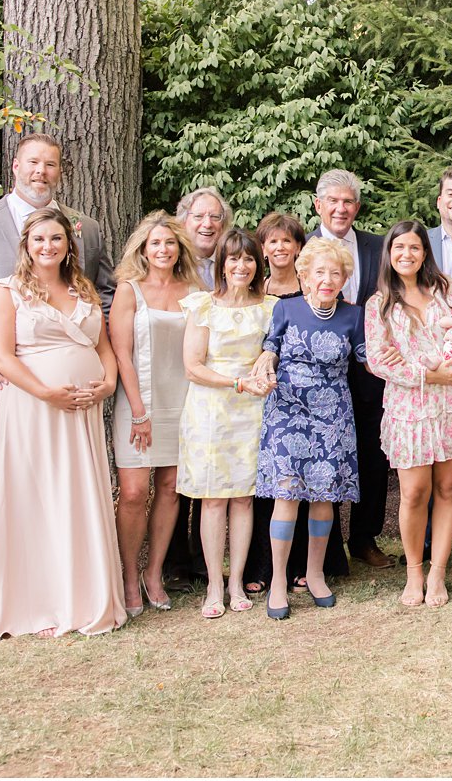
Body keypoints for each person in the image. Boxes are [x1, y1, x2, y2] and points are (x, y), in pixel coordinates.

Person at [0, 133, 115, 630]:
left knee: (65, 484)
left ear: (61, 171)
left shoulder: (86, 228)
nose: (41, 172)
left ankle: (62, 584)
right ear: (15, 166)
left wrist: (95, 361)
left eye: (51, 165)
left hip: (75, 396)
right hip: (1, 382)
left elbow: (102, 295)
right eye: (33, 163)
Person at [0, 208, 124, 640]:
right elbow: (0, 356)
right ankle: (39, 603)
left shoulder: (84, 288)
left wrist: (108, 383)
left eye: (56, 239)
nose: (48, 247)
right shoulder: (9, 290)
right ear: (26, 245)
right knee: (39, 496)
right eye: (39, 240)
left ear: (67, 245)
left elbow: (104, 346)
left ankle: (83, 597)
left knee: (77, 492)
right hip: (33, 408)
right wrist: (45, 392)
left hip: (83, 411)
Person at [364, 221, 452, 608]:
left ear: (424, 252)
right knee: (415, 493)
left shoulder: (447, 290)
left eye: (414, 247)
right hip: (410, 409)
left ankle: (437, 573)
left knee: (449, 489)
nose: (407, 254)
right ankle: (414, 571)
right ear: (389, 253)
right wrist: (426, 374)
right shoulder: (379, 303)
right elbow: (378, 359)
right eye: (399, 247)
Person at [252, 237, 368, 620]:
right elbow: (270, 346)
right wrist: (267, 359)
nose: (327, 279)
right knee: (286, 497)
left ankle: (316, 574)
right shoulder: (285, 309)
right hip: (287, 413)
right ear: (304, 275)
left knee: (323, 498)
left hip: (333, 414)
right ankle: (280, 581)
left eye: (335, 273)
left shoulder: (354, 316)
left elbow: (371, 360)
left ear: (343, 279)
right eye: (319, 272)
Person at [177, 229, 275, 619]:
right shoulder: (203, 306)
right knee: (214, 497)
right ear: (221, 265)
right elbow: (193, 366)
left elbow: (275, 350)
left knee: (244, 497)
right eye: (233, 259)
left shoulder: (269, 307)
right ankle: (214, 585)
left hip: (253, 410)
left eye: (248, 259)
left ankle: (237, 581)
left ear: (257, 265)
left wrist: (266, 365)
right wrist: (236, 382)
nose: (241, 266)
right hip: (212, 410)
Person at [108, 211, 200, 617]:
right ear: (143, 249)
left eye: (169, 243)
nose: (163, 250)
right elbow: (121, 354)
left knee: (170, 488)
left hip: (183, 400)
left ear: (180, 248)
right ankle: (127, 576)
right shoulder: (129, 290)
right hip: (138, 401)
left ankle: (153, 573)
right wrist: (139, 411)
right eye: (155, 243)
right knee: (132, 492)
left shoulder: (195, 290)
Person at [309, 169, 392, 569]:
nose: (341, 209)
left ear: (357, 208)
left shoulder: (379, 247)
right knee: (324, 454)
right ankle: (327, 548)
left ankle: (364, 538)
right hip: (319, 371)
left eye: (348, 202)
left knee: (373, 454)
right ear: (318, 204)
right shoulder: (303, 248)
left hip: (371, 368)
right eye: (334, 201)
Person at [167, 186, 234, 589]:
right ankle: (175, 562)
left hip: (219, 385)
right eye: (199, 216)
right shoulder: (170, 262)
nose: (207, 224)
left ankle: (203, 560)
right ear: (183, 221)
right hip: (176, 378)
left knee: (211, 474)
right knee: (177, 475)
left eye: (215, 218)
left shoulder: (233, 265)